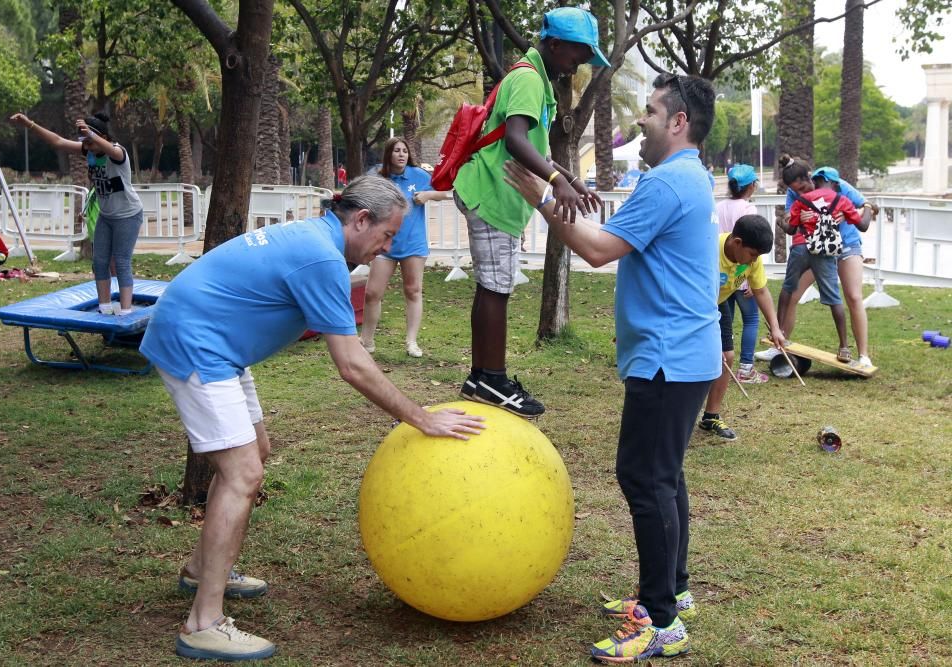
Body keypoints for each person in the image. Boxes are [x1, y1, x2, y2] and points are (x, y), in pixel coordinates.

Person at [139, 175, 485, 662]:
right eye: (387, 235)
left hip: (216, 343)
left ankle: (201, 569)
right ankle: (203, 622)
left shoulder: (318, 242)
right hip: (196, 342)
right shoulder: (322, 256)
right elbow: (352, 365)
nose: (388, 246)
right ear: (360, 219)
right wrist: (421, 417)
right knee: (243, 474)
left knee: (253, 456)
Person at [506, 72, 720, 663]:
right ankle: (672, 589)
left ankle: (661, 621)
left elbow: (597, 249)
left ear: (678, 122)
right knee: (664, 475)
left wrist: (541, 198)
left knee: (643, 478)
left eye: (651, 111)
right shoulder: (693, 176)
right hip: (687, 355)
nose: (641, 121)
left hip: (666, 358)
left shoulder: (667, 182)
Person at [452, 6, 605, 418]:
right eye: (579, 55)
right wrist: (556, 183)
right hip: (490, 190)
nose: (580, 65)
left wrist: (569, 178)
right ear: (555, 44)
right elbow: (518, 141)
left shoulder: (538, 79)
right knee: (496, 285)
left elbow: (533, 149)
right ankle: (492, 380)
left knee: (494, 284)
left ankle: (481, 376)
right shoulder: (527, 78)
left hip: (499, 194)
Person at [9, 111, 143, 315]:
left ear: (103, 138)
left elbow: (110, 149)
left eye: (90, 141)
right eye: (85, 143)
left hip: (128, 215)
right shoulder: (90, 151)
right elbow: (58, 142)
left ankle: (126, 311)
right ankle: (104, 308)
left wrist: (91, 133)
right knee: (99, 262)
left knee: (121, 261)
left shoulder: (117, 153)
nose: (87, 147)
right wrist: (30, 124)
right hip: (106, 217)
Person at [757, 166, 876, 368]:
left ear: (812, 179)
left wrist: (848, 214)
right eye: (797, 190)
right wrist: (795, 218)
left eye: (803, 187)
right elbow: (790, 219)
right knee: (793, 294)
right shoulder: (796, 192)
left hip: (846, 244)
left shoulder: (841, 188)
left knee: (853, 296)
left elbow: (867, 206)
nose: (801, 193)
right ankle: (778, 342)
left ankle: (863, 354)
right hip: (815, 249)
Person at [698, 215, 788, 441]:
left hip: (717, 304)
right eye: (752, 255)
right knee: (701, 357)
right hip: (693, 307)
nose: (753, 261)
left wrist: (775, 328)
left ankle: (711, 416)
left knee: (727, 356)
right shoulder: (708, 250)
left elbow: (761, 291)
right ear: (736, 243)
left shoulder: (750, 260)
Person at [359, 137, 450, 358]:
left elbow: (445, 192)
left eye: (404, 151)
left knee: (413, 290)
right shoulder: (377, 175)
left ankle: (411, 342)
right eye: (397, 151)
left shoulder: (419, 175)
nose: (401, 154)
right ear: (388, 154)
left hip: (413, 244)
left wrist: (428, 195)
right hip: (384, 245)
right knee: (372, 293)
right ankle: (367, 341)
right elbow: (363, 196)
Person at [715, 164, 766, 384]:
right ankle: (746, 368)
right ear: (751, 186)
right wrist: (747, 281)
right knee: (751, 320)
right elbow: (750, 244)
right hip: (741, 277)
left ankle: (723, 363)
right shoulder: (749, 209)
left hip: (721, 275)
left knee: (724, 320)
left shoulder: (719, 206)